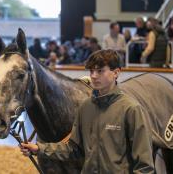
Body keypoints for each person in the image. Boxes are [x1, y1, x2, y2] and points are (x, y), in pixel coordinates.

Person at [20, 49, 155, 173]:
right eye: (91, 71)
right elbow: (73, 149)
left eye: (100, 71)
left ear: (116, 73)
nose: (94, 76)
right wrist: (39, 149)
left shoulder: (131, 109)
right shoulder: (85, 107)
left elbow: (144, 165)